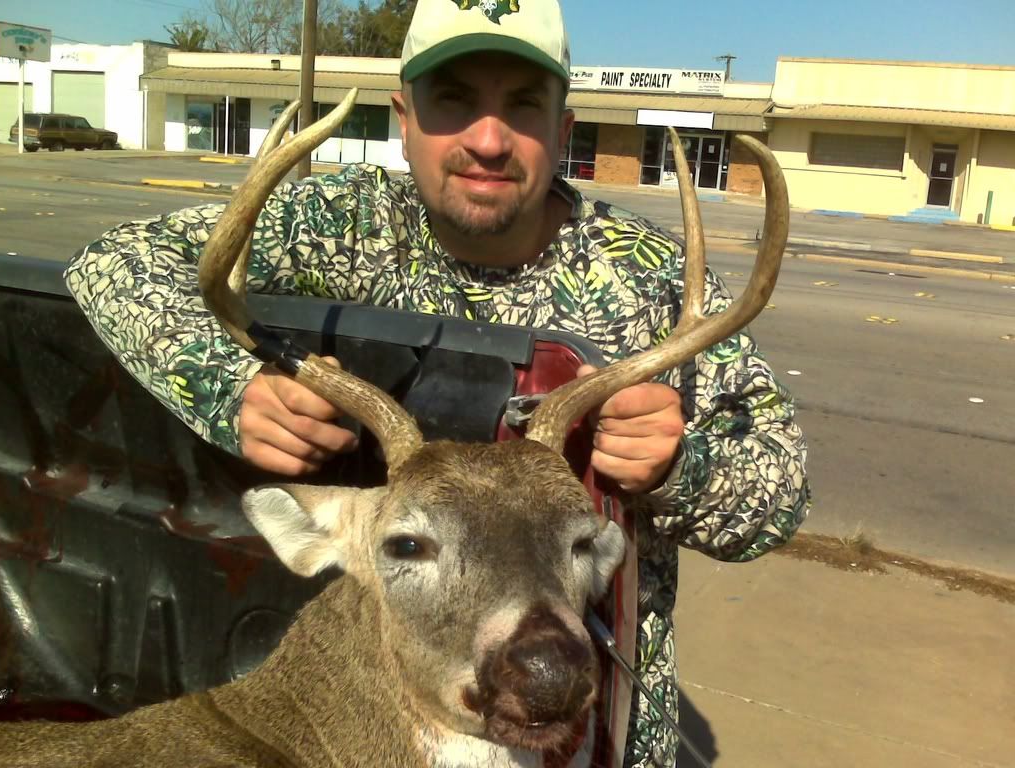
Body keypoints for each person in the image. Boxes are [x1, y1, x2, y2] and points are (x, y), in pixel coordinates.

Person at [64, 0, 811, 763]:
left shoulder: (646, 277)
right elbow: (112, 263)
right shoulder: (341, 222)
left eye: (522, 107)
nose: (488, 140)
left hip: (600, 728)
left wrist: (678, 465)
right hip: (367, 718)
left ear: (563, 128)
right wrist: (230, 388)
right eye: (453, 101)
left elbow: (780, 496)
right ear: (405, 116)